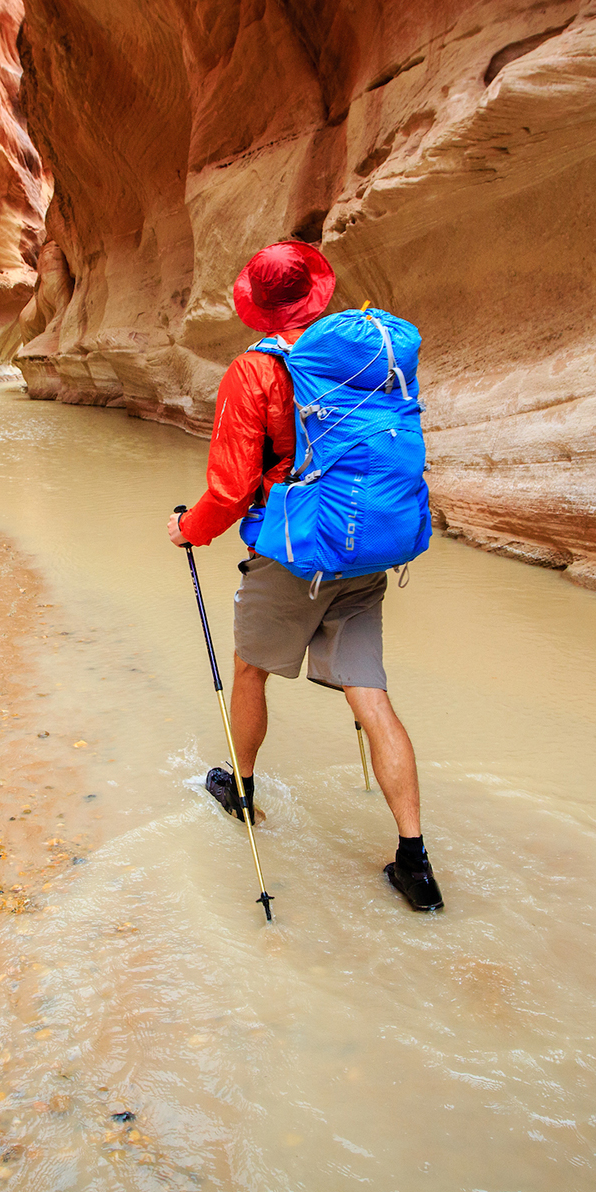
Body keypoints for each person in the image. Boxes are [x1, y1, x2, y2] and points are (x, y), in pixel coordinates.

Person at [166, 240, 443, 912]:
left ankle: (242, 787)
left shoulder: (253, 373)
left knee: (252, 668)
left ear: (258, 309)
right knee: (370, 694)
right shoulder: (360, 358)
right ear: (318, 295)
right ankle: (415, 861)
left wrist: (189, 530)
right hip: (364, 549)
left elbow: (231, 490)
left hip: (292, 554)